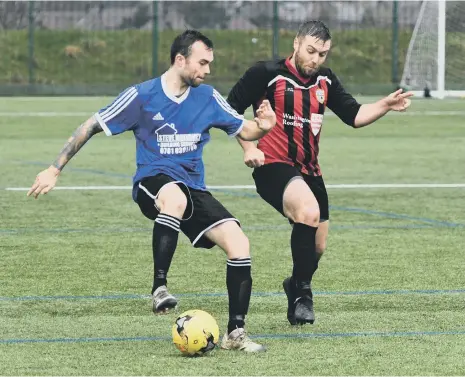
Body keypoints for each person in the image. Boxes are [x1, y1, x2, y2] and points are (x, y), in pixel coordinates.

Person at [27, 30, 276, 352]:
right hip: (153, 180)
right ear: (180, 59)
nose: (207, 70)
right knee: (174, 197)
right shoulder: (141, 96)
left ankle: (236, 333)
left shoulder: (208, 97)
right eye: (202, 62)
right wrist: (54, 169)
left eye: (210, 64)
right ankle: (160, 288)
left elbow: (246, 129)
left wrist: (264, 126)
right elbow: (90, 125)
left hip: (193, 187)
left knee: (239, 242)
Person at [227, 20, 413, 326]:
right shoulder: (266, 73)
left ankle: (295, 283)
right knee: (308, 211)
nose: (315, 59)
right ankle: (302, 294)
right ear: (297, 43)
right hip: (272, 165)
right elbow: (230, 111)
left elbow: (354, 115)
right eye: (311, 50)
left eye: (322, 54)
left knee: (317, 247)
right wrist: (249, 148)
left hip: (311, 171)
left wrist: (385, 105)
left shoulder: (325, 80)